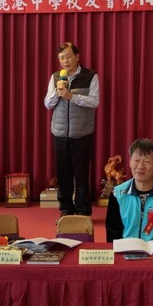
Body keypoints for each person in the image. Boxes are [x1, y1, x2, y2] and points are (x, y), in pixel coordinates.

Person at [43, 42, 100, 217]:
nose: (65, 61)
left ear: (77, 57)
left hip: (82, 134)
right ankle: (66, 209)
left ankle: (82, 211)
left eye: (68, 57)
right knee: (63, 175)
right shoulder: (56, 77)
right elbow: (48, 104)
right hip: (60, 134)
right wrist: (58, 92)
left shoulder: (90, 76)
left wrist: (71, 96)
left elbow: (94, 101)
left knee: (81, 175)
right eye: (62, 58)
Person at [106, 138, 153, 242]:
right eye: (136, 160)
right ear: (130, 162)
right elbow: (112, 238)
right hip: (126, 249)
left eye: (147, 161)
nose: (140, 166)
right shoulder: (117, 194)